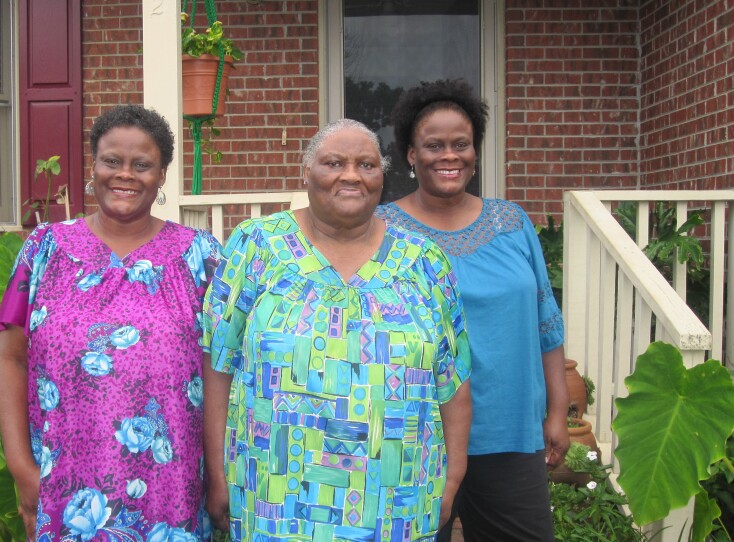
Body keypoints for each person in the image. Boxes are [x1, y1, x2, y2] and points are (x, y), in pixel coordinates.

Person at [202, 119, 472, 541]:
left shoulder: (425, 261)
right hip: (276, 494)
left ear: (382, 176)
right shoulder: (256, 246)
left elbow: (453, 379)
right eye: (334, 162)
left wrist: (453, 476)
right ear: (306, 172)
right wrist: (217, 473)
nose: (351, 175)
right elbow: (218, 364)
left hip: (395, 496)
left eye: (366, 164)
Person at [0, 104, 220, 542]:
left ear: (163, 174)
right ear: (93, 165)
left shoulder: (202, 258)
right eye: (112, 160)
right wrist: (23, 469)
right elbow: (10, 360)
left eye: (143, 165)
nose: (125, 175)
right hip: (66, 496)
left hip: (171, 497)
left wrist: (218, 477)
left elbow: (220, 373)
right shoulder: (44, 250)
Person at [376, 79, 569, 542]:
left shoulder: (513, 223)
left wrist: (558, 409)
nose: (449, 155)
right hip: (414, 434)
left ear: (476, 151)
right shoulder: (382, 230)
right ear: (410, 154)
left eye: (461, 144)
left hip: (508, 429)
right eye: (434, 145)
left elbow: (546, 323)